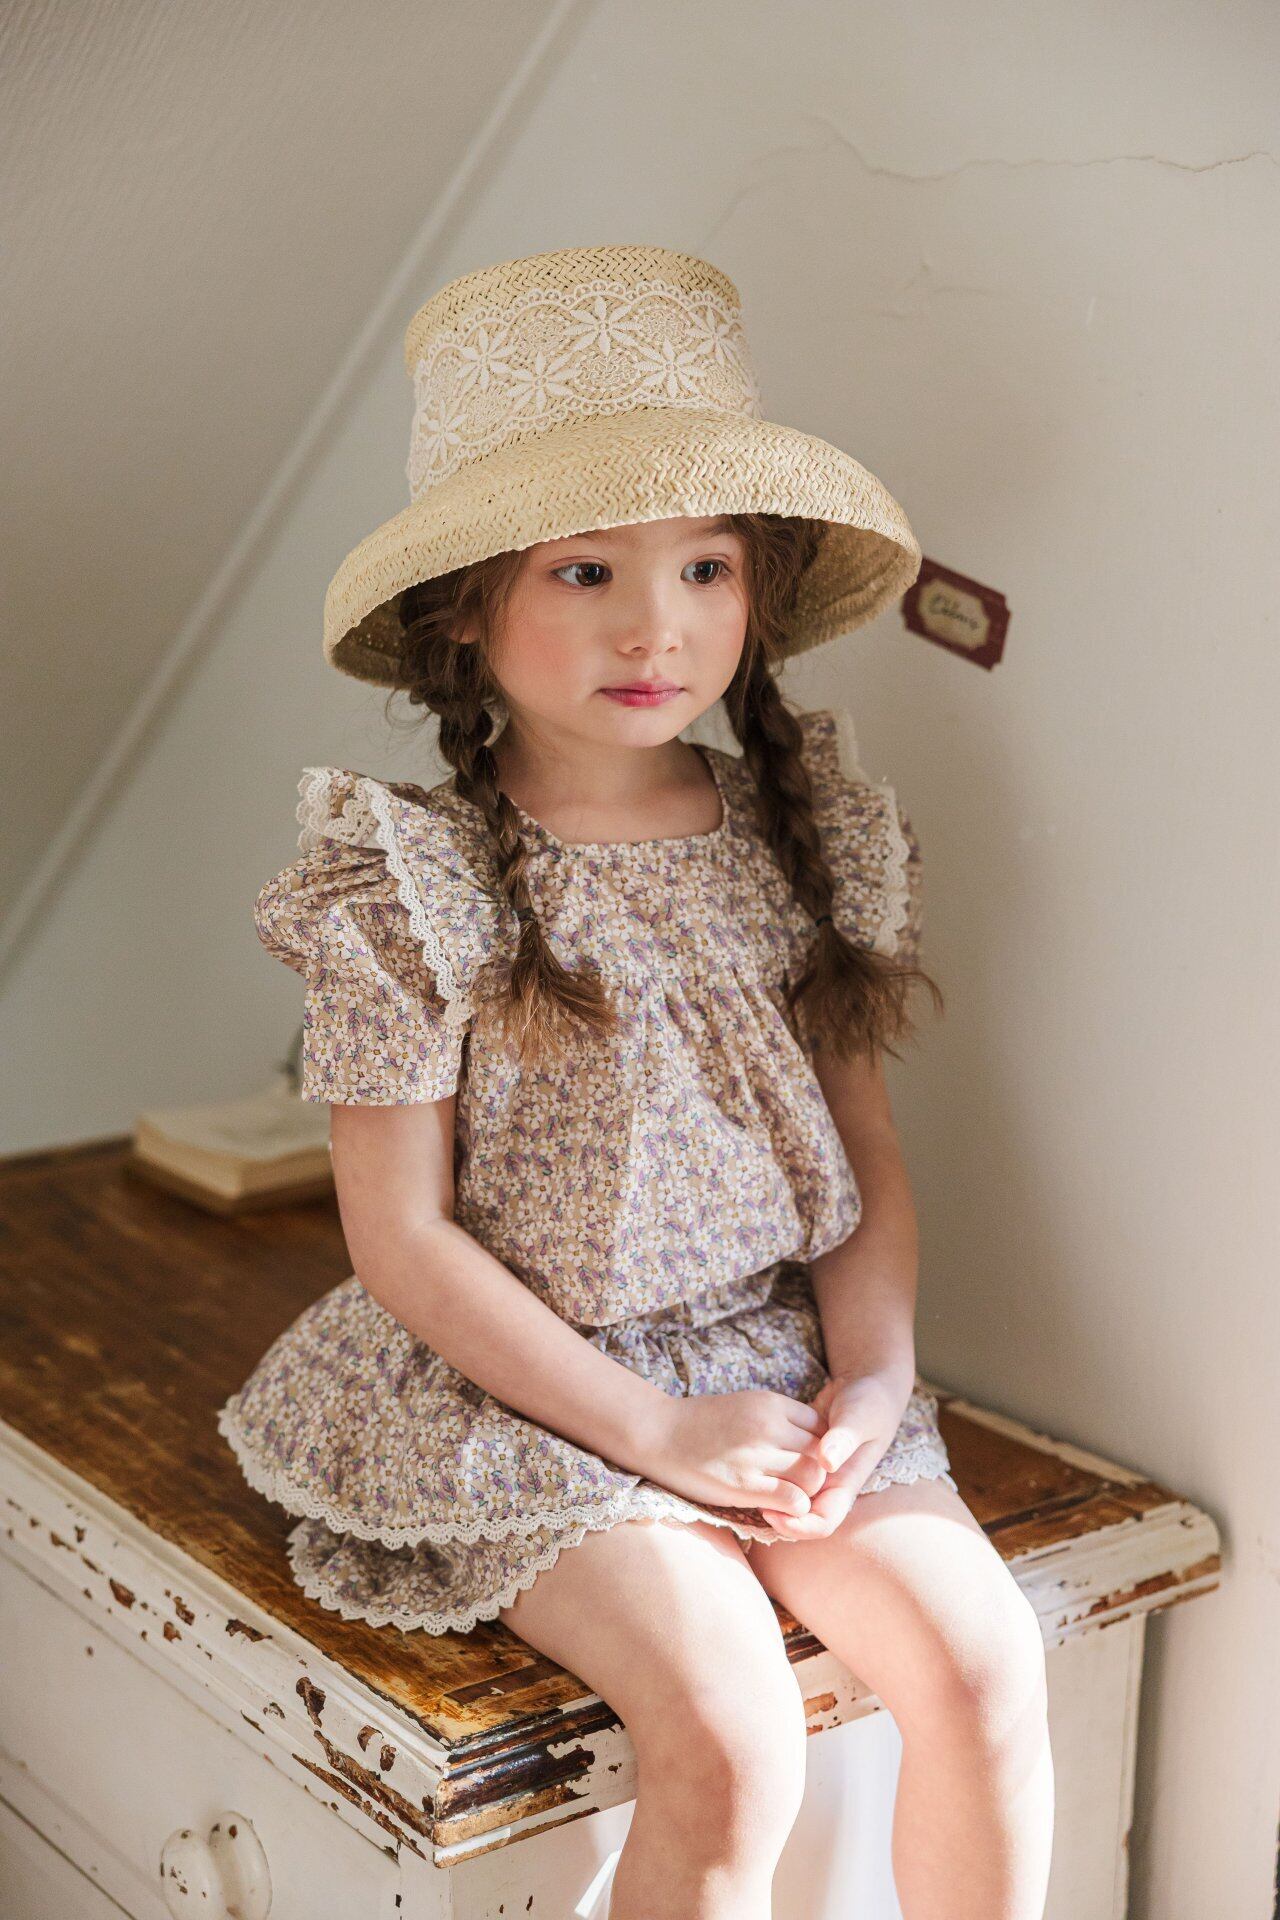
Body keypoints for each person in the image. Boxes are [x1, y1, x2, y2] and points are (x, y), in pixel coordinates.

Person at [218, 244, 1053, 1919]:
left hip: (779, 1360)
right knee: (734, 1736)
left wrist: (875, 1380)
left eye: (706, 567)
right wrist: (656, 1431)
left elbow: (863, 1166)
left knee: (983, 1668)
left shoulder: (805, 834)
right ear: (470, 608)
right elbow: (402, 1239)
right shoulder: (409, 880)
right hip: (529, 1391)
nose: (657, 624)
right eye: (587, 569)